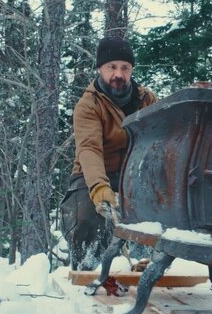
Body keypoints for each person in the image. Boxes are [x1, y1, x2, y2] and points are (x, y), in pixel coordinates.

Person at [63, 36, 157, 271]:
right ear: (100, 69)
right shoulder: (89, 105)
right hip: (91, 175)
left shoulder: (147, 100)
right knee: (87, 218)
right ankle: (85, 269)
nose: (118, 74)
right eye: (111, 67)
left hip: (132, 176)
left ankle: (145, 268)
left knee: (153, 219)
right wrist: (99, 186)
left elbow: (160, 143)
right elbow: (89, 149)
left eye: (125, 68)